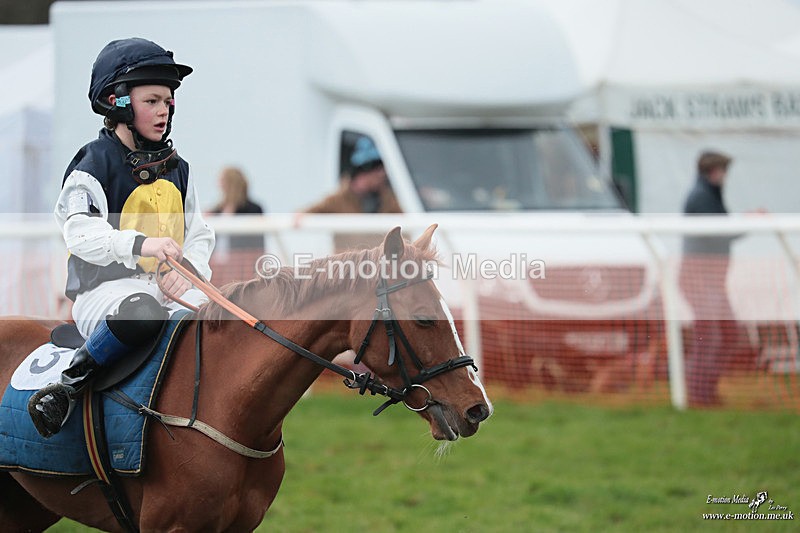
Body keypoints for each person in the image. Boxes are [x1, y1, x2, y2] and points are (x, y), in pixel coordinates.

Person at [27, 38, 215, 438]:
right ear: (119, 103)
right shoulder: (91, 163)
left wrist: (190, 270)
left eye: (168, 101)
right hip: (107, 294)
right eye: (152, 100)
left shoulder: (180, 169)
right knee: (142, 311)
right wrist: (141, 246)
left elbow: (200, 234)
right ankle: (67, 388)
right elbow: (79, 232)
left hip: (169, 290)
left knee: (215, 320)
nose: (164, 109)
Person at [679, 150, 747, 407]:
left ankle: (705, 389)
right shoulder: (702, 197)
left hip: (711, 281)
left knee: (727, 334)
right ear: (713, 170)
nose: (725, 176)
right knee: (709, 337)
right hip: (699, 280)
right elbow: (721, 233)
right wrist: (751, 221)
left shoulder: (708, 195)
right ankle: (698, 393)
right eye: (723, 170)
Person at [302, 135, 401, 250]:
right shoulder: (338, 200)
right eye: (378, 170)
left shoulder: (387, 199)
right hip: (346, 264)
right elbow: (307, 213)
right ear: (365, 172)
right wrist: (301, 217)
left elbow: (405, 224)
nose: (382, 175)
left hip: (379, 264)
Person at [209, 166, 265, 251]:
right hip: (219, 258)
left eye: (223, 181)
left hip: (241, 257)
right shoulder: (218, 210)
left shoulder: (252, 209)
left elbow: (256, 241)